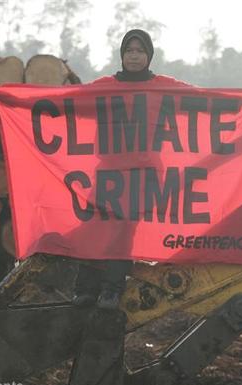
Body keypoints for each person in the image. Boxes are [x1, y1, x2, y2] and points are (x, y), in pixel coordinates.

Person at [71, 29, 188, 310]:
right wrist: (14, 101)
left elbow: (205, 100)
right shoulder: (105, 86)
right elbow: (67, 101)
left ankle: (112, 291)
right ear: (122, 55)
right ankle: (86, 290)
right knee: (95, 227)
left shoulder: (164, 87)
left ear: (149, 55)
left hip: (144, 176)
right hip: (109, 173)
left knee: (123, 230)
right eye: (129, 51)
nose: (134, 56)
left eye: (139, 51)